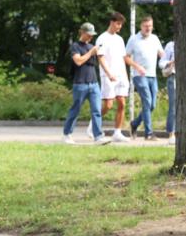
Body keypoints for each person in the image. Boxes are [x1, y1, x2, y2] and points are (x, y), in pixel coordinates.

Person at [63, 23, 111, 145]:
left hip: (93, 83)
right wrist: (90, 52)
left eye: (92, 35)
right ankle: (67, 134)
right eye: (88, 35)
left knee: (96, 110)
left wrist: (110, 74)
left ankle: (98, 137)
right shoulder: (75, 46)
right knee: (76, 109)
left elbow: (100, 61)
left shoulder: (92, 46)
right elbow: (78, 61)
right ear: (82, 32)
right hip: (80, 84)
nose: (90, 37)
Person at [96, 11, 139, 142]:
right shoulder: (102, 38)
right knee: (108, 105)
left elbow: (123, 58)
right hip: (108, 75)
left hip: (121, 76)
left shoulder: (120, 39)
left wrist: (126, 75)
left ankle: (117, 132)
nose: (119, 27)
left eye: (121, 24)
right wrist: (109, 74)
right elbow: (100, 57)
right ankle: (94, 123)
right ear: (112, 22)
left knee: (122, 103)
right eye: (118, 24)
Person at [126, 16, 166, 140]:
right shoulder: (134, 39)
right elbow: (126, 57)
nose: (148, 28)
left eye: (150, 26)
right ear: (141, 26)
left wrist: (169, 62)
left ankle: (135, 124)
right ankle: (148, 134)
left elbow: (162, 54)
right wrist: (137, 67)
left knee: (152, 105)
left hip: (152, 76)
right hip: (139, 76)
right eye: (146, 26)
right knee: (147, 101)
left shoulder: (155, 39)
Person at [160, 38, 177, 143]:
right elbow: (162, 62)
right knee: (173, 105)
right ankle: (172, 133)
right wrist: (170, 62)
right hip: (173, 76)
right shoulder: (171, 45)